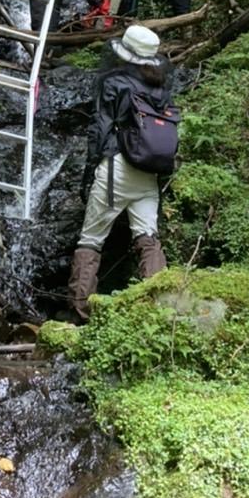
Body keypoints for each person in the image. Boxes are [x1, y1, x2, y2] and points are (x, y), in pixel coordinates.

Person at [68, 24, 175, 322]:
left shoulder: (114, 82)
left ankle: (80, 314)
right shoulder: (160, 86)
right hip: (148, 171)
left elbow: (100, 129)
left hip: (117, 168)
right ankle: (160, 310)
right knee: (147, 237)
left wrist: (90, 169)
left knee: (91, 239)